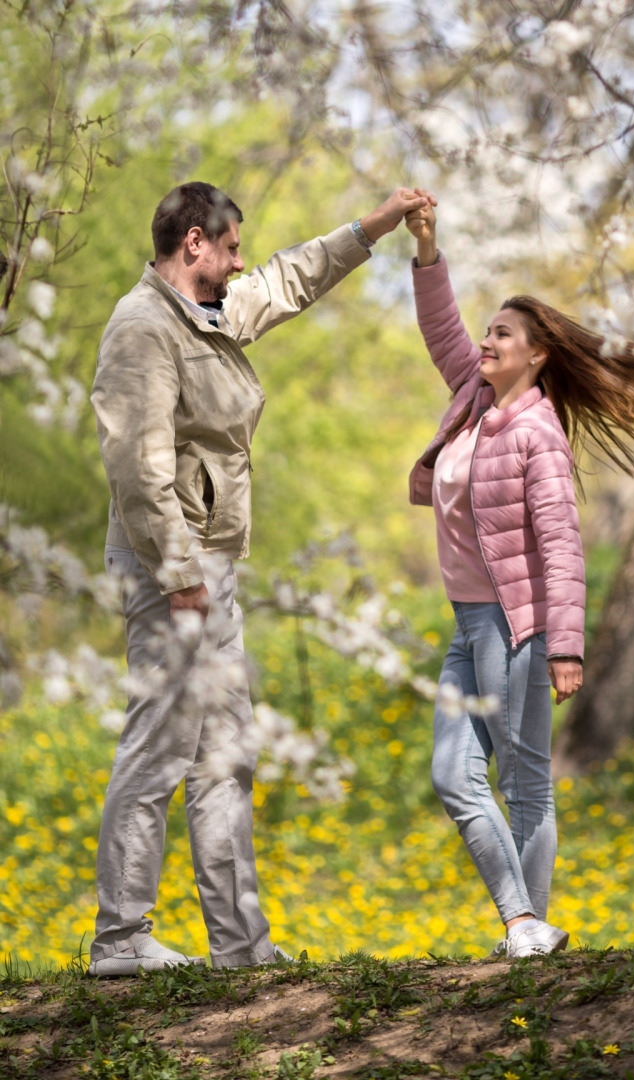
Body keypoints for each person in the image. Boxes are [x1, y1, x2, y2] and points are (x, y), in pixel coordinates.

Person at [88, 181, 429, 976]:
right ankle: (120, 940)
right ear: (196, 242)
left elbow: (289, 280)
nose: (242, 261)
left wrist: (373, 225)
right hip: (171, 564)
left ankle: (240, 945)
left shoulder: (208, 315)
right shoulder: (143, 328)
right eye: (233, 247)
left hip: (212, 561)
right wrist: (176, 574)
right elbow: (138, 466)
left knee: (226, 754)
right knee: (160, 747)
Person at [404, 194, 634, 958]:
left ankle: (524, 928)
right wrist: (426, 247)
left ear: (536, 354)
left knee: (525, 782)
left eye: (500, 333)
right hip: (467, 623)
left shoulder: (538, 435)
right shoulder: (474, 400)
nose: (483, 340)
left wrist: (565, 646)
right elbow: (441, 327)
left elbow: (562, 548)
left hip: (518, 629)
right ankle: (528, 925)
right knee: (453, 774)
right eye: (487, 330)